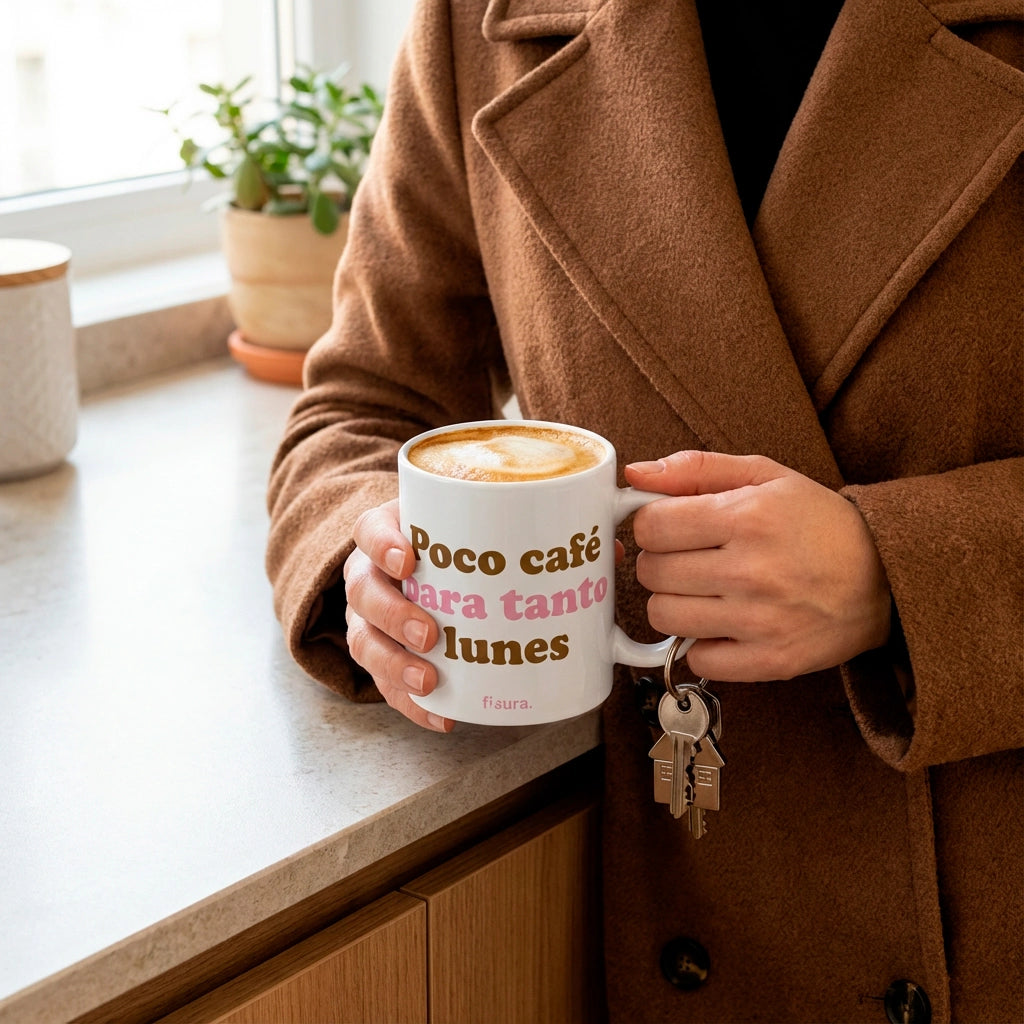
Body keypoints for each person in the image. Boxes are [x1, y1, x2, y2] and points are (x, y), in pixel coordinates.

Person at [266, 0, 1023, 1020]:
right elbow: (360, 407)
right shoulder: (473, 24)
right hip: (671, 892)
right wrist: (367, 560)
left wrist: (900, 574)